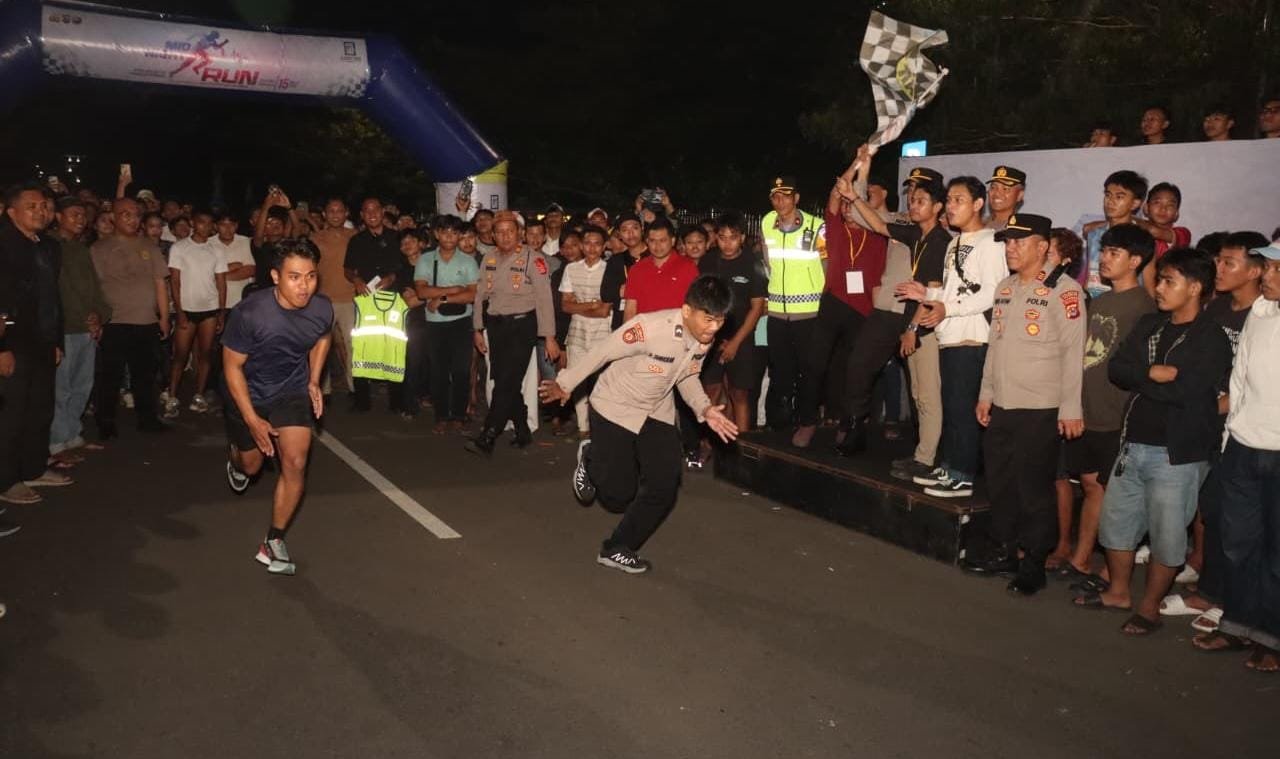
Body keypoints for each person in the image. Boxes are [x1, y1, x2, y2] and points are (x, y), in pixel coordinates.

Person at [538, 275, 740, 574]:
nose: (714, 328)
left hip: (656, 409)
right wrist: (565, 383)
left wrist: (705, 408)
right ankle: (591, 458)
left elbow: (686, 376)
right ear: (687, 311)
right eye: (708, 319)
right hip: (615, 407)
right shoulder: (649, 327)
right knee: (619, 495)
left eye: (720, 321)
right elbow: (602, 350)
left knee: (665, 484)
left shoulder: (702, 340)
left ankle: (618, 547)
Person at [1080, 248, 1231, 635]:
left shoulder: (1210, 336)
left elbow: (1190, 392)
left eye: (1169, 281)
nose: (1159, 288)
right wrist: (1151, 373)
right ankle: (1118, 592)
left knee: (1167, 537)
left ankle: (1149, 607)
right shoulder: (1151, 324)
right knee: (1115, 526)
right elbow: (1118, 369)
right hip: (1132, 444)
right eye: (1159, 279)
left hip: (1177, 453)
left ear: (1195, 288)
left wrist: (1143, 378)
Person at [966, 213, 1086, 595]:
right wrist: (986, 393)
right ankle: (1005, 550)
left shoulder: (1065, 292)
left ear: (1042, 247)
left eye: (1019, 242)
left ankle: (1033, 561)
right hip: (1002, 403)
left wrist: (1070, 409)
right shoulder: (1005, 287)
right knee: (1001, 483)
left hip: (1040, 407)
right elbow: (994, 347)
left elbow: (1072, 354)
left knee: (1033, 488)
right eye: (1008, 242)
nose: (1011, 248)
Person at [221, 239, 333, 576]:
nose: (304, 286)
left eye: (311, 276)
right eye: (295, 277)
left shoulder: (321, 308)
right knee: (253, 466)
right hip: (247, 393)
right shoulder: (249, 313)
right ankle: (237, 462)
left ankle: (273, 540)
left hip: (291, 390)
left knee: (296, 460)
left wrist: (313, 379)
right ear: (275, 276)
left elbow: (323, 337)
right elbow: (231, 368)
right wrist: (252, 419)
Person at [896, 177, 1010, 498]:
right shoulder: (953, 243)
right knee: (953, 407)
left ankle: (963, 474)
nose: (951, 206)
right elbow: (950, 291)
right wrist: (927, 292)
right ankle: (950, 466)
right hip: (950, 335)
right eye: (949, 199)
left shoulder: (992, 242)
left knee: (963, 409)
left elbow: (992, 292)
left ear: (977, 204)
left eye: (959, 200)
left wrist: (947, 307)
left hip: (972, 337)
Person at [1196, 243, 1280, 671]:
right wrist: (1231, 437)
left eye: (1274, 268)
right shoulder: (1261, 314)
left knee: (1276, 552)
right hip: (1244, 446)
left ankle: (1272, 637)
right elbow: (1240, 379)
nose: (1266, 274)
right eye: (1266, 265)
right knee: (1238, 543)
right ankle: (1237, 624)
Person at [1059, 225, 1157, 582]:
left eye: (1115, 253)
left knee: (1113, 493)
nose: (1105, 259)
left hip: (1117, 413)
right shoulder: (1099, 300)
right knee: (1089, 486)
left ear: (1136, 260)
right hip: (1086, 409)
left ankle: (1100, 566)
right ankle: (1082, 558)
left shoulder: (1145, 307)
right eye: (1104, 251)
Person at [847, 158, 950, 478]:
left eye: (921, 200)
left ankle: (927, 457)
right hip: (910, 320)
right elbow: (878, 225)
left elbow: (931, 292)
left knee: (927, 394)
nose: (913, 204)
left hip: (923, 324)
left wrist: (911, 329)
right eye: (912, 198)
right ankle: (923, 453)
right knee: (919, 392)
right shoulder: (915, 234)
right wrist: (852, 198)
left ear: (937, 206)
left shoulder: (940, 242)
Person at [793, 156, 889, 449]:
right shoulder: (834, 228)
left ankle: (847, 423)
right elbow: (837, 192)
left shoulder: (879, 234)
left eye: (854, 204)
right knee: (814, 364)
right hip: (833, 302)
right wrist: (859, 163)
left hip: (864, 311)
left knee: (852, 372)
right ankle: (808, 421)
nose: (848, 208)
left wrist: (869, 194)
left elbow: (878, 202)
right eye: (847, 204)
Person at [468, 210, 560, 454]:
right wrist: (477, 329)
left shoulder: (533, 259)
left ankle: (489, 433)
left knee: (507, 381)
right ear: (493, 235)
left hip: (522, 327)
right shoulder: (488, 258)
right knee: (504, 379)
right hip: (496, 327)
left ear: (520, 233)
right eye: (500, 232)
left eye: (510, 231)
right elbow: (479, 297)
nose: (505, 236)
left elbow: (544, 299)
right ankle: (522, 430)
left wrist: (549, 337)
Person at [0, 182, 69, 508]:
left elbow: (52, 298)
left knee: (39, 408)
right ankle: (6, 479)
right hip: (13, 343)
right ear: (11, 211)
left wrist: (55, 340)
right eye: (32, 206)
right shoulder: (3, 244)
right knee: (11, 414)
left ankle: (32, 468)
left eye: (44, 206)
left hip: (43, 340)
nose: (41, 211)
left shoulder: (48, 247)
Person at [91, 196, 170, 437]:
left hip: (146, 321)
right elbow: (94, 287)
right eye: (126, 214)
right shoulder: (99, 248)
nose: (132, 219)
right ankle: (105, 422)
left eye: (136, 215)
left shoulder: (150, 246)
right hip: (113, 322)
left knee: (145, 376)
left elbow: (160, 284)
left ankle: (148, 419)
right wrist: (96, 319)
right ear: (113, 217)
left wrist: (164, 317)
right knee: (110, 376)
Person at [759, 175, 825, 432]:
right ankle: (781, 421)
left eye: (785, 195)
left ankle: (808, 421)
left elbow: (827, 266)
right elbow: (767, 262)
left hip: (809, 313)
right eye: (775, 196)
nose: (780, 201)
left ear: (796, 198)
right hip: (777, 313)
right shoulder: (766, 222)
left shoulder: (817, 226)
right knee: (780, 369)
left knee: (809, 370)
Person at [49, 196, 109, 459]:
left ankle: (72, 434)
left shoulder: (81, 248)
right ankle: (55, 441)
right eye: (73, 214)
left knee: (82, 385)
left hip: (87, 327)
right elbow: (59, 292)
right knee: (60, 388)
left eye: (83, 215)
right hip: (65, 328)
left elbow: (94, 288)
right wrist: (86, 317)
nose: (80, 219)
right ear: (58, 217)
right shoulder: (50, 247)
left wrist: (99, 315)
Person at [698, 213, 768, 438]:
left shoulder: (753, 263)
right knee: (710, 391)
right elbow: (700, 301)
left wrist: (735, 343)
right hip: (710, 336)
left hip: (742, 337)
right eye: (722, 237)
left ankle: (743, 449)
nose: (727, 243)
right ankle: (711, 445)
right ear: (715, 238)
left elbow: (757, 308)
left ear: (743, 237)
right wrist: (711, 336)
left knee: (740, 394)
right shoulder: (708, 261)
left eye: (733, 237)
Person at [414, 215, 479, 432]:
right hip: (434, 323)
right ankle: (441, 416)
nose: (449, 236)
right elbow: (421, 291)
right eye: (444, 232)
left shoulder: (469, 261)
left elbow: (472, 295)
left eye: (453, 232)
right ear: (436, 234)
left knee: (461, 370)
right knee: (439, 371)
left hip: (461, 322)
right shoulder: (425, 259)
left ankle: (459, 415)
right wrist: (454, 290)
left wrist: (442, 298)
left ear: (459, 235)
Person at [161, 210, 227, 417]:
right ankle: (172, 395)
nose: (206, 227)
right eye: (201, 222)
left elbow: (221, 282)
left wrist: (221, 312)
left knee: (206, 354)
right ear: (193, 223)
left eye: (209, 223)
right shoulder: (180, 248)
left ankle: (198, 395)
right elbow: (175, 281)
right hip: (187, 310)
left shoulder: (216, 249)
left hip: (209, 308)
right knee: (180, 355)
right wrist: (179, 311)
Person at [344, 197, 402, 412]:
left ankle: (397, 401)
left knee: (394, 346)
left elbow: (405, 265)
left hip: (392, 299)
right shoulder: (356, 240)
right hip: (366, 300)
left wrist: (392, 277)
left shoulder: (396, 237)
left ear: (382, 211)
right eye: (366, 210)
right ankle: (362, 401)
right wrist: (356, 280)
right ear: (361, 215)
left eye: (375, 209)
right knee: (362, 347)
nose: (371, 214)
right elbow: (348, 269)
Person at [559, 225, 613, 438]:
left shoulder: (610, 270)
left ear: (604, 246)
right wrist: (591, 305)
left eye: (597, 243)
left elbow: (604, 311)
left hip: (604, 334)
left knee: (602, 382)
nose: (592, 248)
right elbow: (565, 306)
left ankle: (601, 427)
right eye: (588, 243)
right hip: (577, 334)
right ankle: (583, 428)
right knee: (577, 380)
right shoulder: (571, 269)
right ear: (581, 245)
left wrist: (581, 306)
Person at [310, 198, 357, 397]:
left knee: (352, 346)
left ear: (346, 213)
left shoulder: (355, 236)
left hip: (350, 299)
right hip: (323, 301)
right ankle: (323, 389)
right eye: (331, 211)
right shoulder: (315, 238)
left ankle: (355, 388)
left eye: (339, 211)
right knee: (322, 347)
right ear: (324, 214)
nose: (335, 214)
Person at [1080, 170, 1148, 298]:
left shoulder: (1141, 238)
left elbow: (1148, 286)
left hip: (1125, 306)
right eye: (1108, 195)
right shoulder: (1094, 234)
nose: (1110, 201)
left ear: (1135, 203)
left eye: (1119, 197)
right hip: (1093, 303)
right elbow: (1090, 276)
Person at [623, 218, 699, 322]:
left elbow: (695, 306)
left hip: (676, 332)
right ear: (647, 241)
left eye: (662, 240)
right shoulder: (637, 269)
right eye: (652, 241)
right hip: (645, 333)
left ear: (672, 241)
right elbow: (630, 310)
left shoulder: (688, 267)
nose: (657, 246)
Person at [985, 165, 1025, 231]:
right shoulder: (978, 224)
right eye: (993, 187)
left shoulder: (1021, 229)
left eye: (1005, 189)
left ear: (1019, 195)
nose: (997, 193)